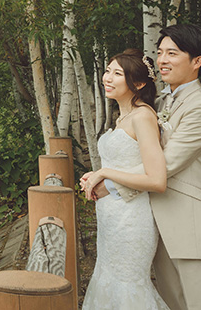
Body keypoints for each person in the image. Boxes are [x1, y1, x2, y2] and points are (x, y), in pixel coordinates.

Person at [96, 25, 201, 310]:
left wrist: (110, 184)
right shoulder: (157, 102)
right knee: (172, 303)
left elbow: (167, 164)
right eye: (160, 53)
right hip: (152, 222)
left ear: (197, 61)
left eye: (172, 53)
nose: (162, 60)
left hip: (189, 224)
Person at [79, 48, 169, 309]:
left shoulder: (143, 116)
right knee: (109, 281)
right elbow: (127, 164)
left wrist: (105, 173)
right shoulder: (123, 117)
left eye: (117, 73)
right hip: (110, 217)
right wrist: (94, 178)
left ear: (138, 84)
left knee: (128, 286)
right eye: (108, 71)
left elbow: (157, 180)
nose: (107, 78)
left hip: (131, 220)